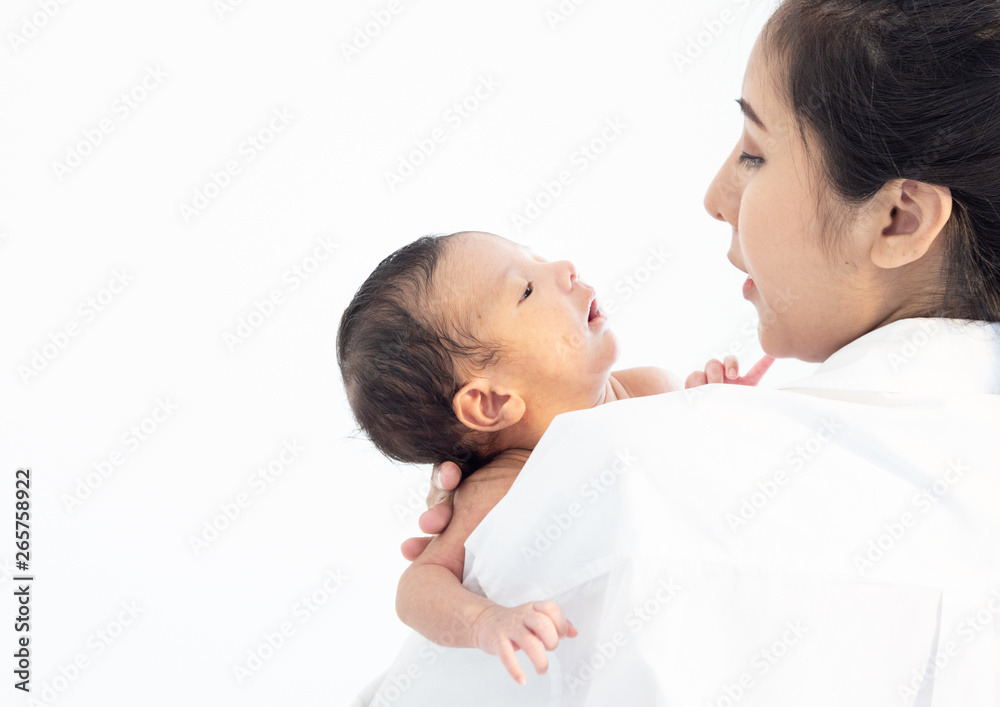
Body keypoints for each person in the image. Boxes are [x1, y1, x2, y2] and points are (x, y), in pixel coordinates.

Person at [383, 0, 1000, 702]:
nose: (715, 196)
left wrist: (506, 554)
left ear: (899, 218)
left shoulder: (622, 486)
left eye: (755, 154)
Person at [337, 230, 773, 684]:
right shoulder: (505, 485)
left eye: (537, 258)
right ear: (490, 402)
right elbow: (417, 587)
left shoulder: (655, 387)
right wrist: (485, 622)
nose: (564, 268)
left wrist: (720, 407)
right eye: (525, 290)